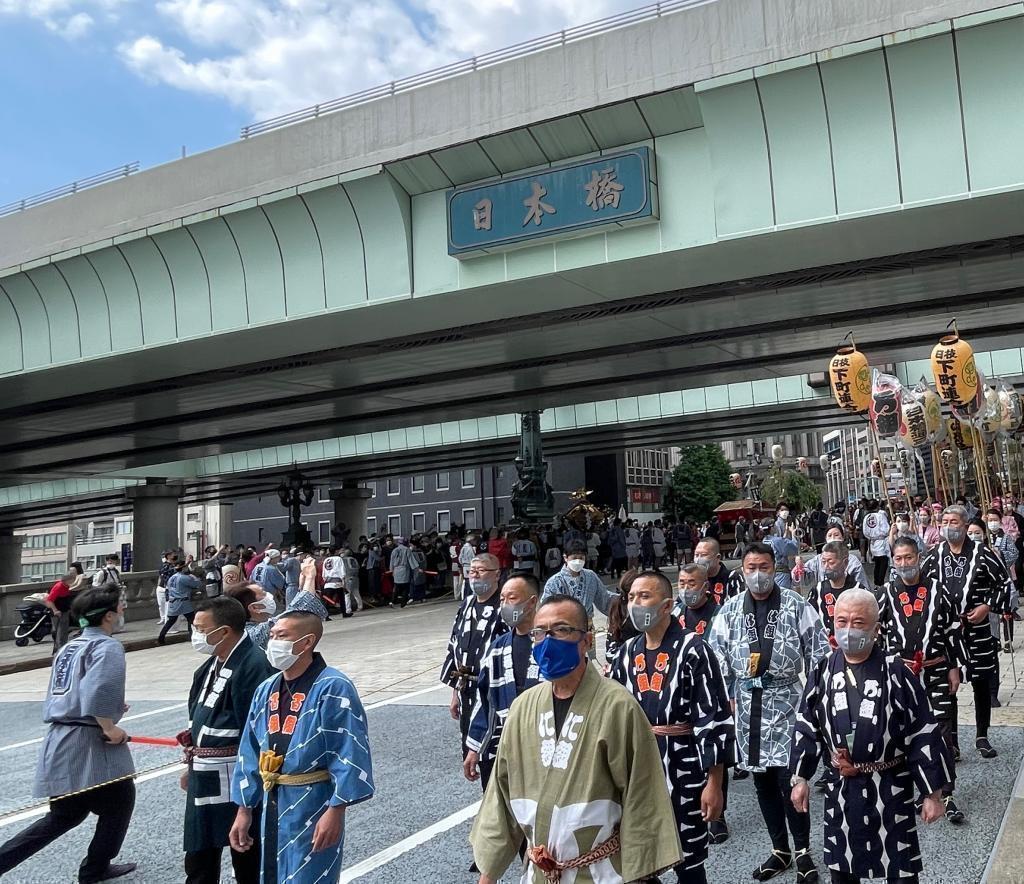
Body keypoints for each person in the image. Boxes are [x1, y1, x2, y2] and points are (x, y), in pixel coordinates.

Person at [469, 595, 683, 883]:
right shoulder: (522, 708)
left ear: (586, 640)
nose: (548, 641)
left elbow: (643, 796)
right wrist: (489, 874)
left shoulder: (618, 706)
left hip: (602, 872)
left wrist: (639, 871)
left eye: (561, 630)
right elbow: (501, 794)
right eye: (540, 632)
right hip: (540, 872)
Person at [790, 589, 952, 884]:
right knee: (842, 868)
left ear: (876, 629)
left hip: (890, 786)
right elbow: (806, 725)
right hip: (841, 788)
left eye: (858, 623)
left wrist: (933, 793)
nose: (848, 630)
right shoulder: (823, 670)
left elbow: (923, 733)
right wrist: (800, 778)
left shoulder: (897, 672)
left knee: (901, 871)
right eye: (842, 621)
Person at [706, 543, 829, 883]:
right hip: (747, 708)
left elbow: (820, 654)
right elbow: (716, 662)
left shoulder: (795, 604)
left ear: (775, 568)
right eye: (751, 567)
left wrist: (813, 700)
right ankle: (779, 849)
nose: (757, 574)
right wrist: (726, 698)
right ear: (742, 570)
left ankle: (803, 850)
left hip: (788, 701)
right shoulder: (729, 610)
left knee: (791, 780)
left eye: (763, 566)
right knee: (762, 783)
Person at [0, 588, 137, 883]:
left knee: (65, 815)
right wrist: (110, 726)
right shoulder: (107, 647)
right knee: (120, 800)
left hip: (62, 735)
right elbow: (99, 689)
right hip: (90, 743)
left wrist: (111, 708)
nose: (123, 607)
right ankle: (95, 868)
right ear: (109, 615)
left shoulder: (70, 646)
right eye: (119, 605)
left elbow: (73, 689)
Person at [229, 611, 374, 882]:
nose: (273, 642)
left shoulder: (333, 686)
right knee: (270, 873)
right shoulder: (265, 689)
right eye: (272, 636)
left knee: (310, 874)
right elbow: (249, 751)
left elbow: (349, 749)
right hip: (273, 798)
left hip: (314, 800)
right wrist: (244, 809)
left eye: (282, 636)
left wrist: (336, 810)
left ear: (307, 642)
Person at [610, 570, 734, 883]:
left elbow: (713, 719)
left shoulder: (694, 649)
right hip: (640, 769)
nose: (636, 604)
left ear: (667, 605)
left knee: (688, 861)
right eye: (632, 598)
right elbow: (612, 716)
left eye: (645, 596)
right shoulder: (625, 654)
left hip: (685, 768)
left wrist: (714, 783)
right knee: (641, 857)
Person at [181, 597, 274, 884]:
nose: (195, 634)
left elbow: (258, 731)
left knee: (245, 848)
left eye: (199, 628)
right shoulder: (208, 667)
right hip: (205, 772)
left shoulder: (254, 664)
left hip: (237, 773)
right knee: (199, 853)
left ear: (223, 631)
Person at [881, 536, 966, 822]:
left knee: (942, 732)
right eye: (899, 558)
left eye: (909, 557)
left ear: (919, 557)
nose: (904, 563)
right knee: (908, 733)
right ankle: (921, 790)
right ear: (893, 561)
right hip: (902, 675)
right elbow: (877, 631)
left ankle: (947, 792)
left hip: (936, 669)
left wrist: (955, 666)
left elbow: (953, 630)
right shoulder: (886, 593)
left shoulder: (938, 589)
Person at [920, 504, 1010, 758]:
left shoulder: (983, 554)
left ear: (964, 524)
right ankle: (953, 742)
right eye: (945, 521)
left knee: (981, 681)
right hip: (946, 634)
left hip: (977, 629)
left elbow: (1004, 585)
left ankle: (982, 735)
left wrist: (987, 606)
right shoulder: (934, 555)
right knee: (949, 683)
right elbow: (922, 587)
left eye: (954, 522)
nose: (949, 526)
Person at [465, 574, 544, 790]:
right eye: (502, 599)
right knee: (501, 814)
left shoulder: (555, 644)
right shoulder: (498, 647)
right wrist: (474, 747)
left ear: (532, 602)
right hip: (505, 744)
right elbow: (485, 700)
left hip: (545, 744)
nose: (505, 605)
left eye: (512, 598)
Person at [441, 554, 509, 764]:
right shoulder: (467, 604)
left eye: (481, 570)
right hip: (466, 689)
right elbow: (455, 646)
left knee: (494, 751)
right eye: (472, 571)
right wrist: (454, 693)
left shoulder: (504, 606)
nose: (475, 575)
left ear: (496, 574)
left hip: (493, 689)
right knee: (470, 748)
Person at [541, 540, 617, 625]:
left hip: (587, 625)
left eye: (581, 558)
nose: (578, 561)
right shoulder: (554, 582)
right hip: (564, 626)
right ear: (565, 557)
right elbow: (546, 607)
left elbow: (604, 598)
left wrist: (622, 599)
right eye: (574, 558)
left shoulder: (590, 576)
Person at [807, 541, 861, 638]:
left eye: (831, 562)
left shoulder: (858, 590)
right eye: (823, 562)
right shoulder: (817, 590)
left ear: (845, 563)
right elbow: (808, 619)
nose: (826, 566)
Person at [795, 524, 870, 592]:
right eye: (830, 535)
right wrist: (800, 566)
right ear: (825, 539)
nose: (833, 538)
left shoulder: (853, 561)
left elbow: (863, 588)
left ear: (842, 537)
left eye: (836, 535)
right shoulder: (817, 560)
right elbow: (802, 580)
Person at [158, 561, 201, 645]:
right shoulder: (184, 578)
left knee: (170, 621)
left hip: (173, 601)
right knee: (191, 619)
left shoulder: (172, 578)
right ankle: (192, 636)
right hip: (183, 601)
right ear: (183, 568)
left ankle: (161, 638)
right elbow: (196, 584)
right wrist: (193, 576)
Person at [693, 537, 739, 604]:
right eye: (696, 555)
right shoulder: (692, 578)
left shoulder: (731, 577)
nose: (698, 559)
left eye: (703, 555)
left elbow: (737, 605)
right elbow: (679, 606)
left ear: (718, 557)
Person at [759, 518, 800, 591]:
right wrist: (793, 533)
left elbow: (780, 544)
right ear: (772, 528)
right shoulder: (777, 541)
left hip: (768, 573)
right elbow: (794, 548)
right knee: (782, 596)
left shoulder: (764, 541)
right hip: (780, 574)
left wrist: (786, 533)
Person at [43, 569, 76, 652]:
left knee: (64, 630)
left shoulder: (66, 586)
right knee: (60, 631)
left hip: (64, 610)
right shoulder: (59, 586)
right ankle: (60, 649)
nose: (74, 580)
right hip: (58, 612)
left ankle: (63, 647)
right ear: (67, 579)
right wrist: (55, 610)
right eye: (72, 579)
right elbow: (49, 600)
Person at [862, 502, 891, 586]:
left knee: (877, 563)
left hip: (873, 542)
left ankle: (876, 582)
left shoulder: (866, 517)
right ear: (877, 506)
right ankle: (880, 582)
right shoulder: (880, 516)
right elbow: (886, 529)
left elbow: (865, 532)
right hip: (882, 541)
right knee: (883, 563)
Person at [388, 536, 417, 608]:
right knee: (405, 587)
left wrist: (391, 570)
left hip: (396, 570)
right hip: (404, 569)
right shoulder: (407, 550)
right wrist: (416, 568)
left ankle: (392, 601)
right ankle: (403, 603)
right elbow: (411, 560)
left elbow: (391, 561)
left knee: (396, 586)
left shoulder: (394, 550)